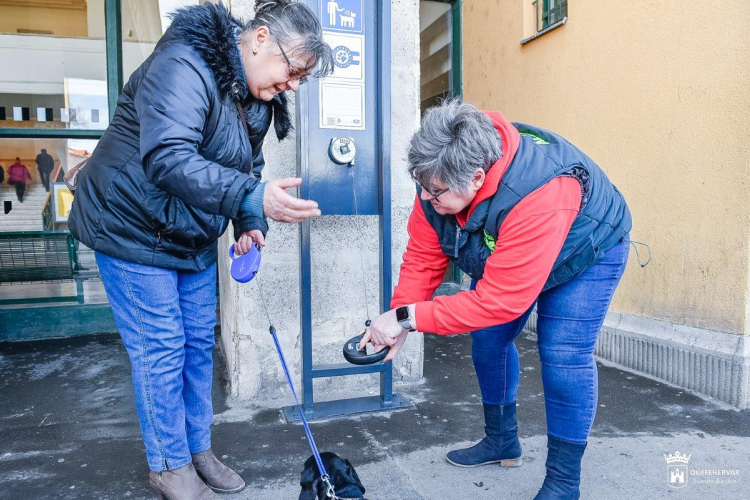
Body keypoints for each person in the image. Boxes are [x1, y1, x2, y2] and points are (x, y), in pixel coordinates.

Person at [67, 2, 332, 499]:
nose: (293, 85)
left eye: (303, 78)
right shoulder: (184, 64)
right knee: (160, 348)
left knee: (194, 345)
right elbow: (168, 157)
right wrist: (250, 198)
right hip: (129, 225)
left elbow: (246, 168)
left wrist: (249, 219)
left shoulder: (256, 95)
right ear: (258, 39)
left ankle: (197, 448)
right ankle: (168, 464)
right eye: (292, 70)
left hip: (189, 232)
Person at [362, 99, 632, 500]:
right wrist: (399, 317)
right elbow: (423, 254)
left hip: (585, 252)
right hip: (517, 251)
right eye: (420, 185)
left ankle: (562, 483)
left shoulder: (539, 192)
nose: (424, 196)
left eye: (433, 191)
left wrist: (408, 318)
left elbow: (498, 301)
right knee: (488, 340)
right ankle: (502, 441)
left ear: (475, 178)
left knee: (562, 352)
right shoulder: (439, 176)